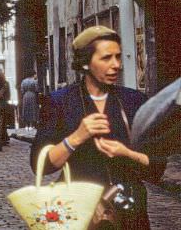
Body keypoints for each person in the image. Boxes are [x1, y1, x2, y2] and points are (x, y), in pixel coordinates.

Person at [31, 26, 166, 229]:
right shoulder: (60, 102)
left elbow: (157, 164)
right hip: (79, 208)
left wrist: (127, 153)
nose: (116, 65)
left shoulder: (133, 100)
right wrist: (76, 137)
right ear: (85, 63)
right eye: (106, 58)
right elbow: (41, 165)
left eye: (118, 57)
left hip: (129, 209)